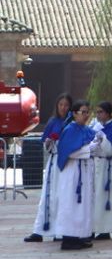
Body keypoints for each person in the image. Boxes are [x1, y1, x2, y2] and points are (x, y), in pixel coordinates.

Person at [54, 101, 104, 251]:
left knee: (83, 205)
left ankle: (81, 235)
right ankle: (69, 238)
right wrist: (90, 148)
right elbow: (69, 152)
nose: (86, 115)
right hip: (73, 173)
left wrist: (97, 144)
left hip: (84, 171)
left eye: (88, 112)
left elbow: (92, 146)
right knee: (71, 204)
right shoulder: (70, 130)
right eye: (83, 112)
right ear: (74, 113)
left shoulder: (85, 129)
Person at [23, 93, 72, 242]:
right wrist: (49, 142)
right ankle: (40, 229)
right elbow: (45, 141)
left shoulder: (71, 123)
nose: (63, 108)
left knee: (61, 196)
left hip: (65, 163)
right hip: (54, 160)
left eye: (66, 105)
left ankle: (60, 229)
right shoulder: (53, 121)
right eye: (60, 105)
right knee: (48, 195)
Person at [90, 101, 112, 240]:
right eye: (97, 112)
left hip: (108, 166)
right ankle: (92, 227)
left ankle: (105, 228)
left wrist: (103, 137)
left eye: (101, 112)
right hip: (96, 163)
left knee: (105, 197)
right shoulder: (96, 126)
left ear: (107, 113)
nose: (98, 115)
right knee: (94, 196)